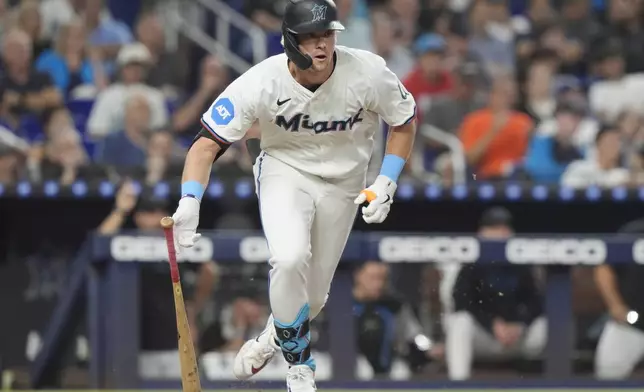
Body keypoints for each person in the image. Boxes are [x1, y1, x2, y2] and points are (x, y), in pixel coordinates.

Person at [169, 0, 417, 390]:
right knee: (288, 259)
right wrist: (189, 200)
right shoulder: (260, 82)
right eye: (312, 36)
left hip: (345, 182)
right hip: (285, 169)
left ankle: (271, 338)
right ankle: (300, 366)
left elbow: (403, 120)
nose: (322, 44)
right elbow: (205, 145)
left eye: (327, 35)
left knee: (313, 296)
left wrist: (387, 180)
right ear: (290, 40)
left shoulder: (367, 71)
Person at [442, 207, 546, 380]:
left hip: (517, 338)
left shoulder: (521, 262)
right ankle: (458, 383)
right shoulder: (471, 263)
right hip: (485, 337)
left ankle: (550, 381)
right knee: (460, 321)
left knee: (547, 324)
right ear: (482, 232)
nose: (502, 232)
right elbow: (462, 301)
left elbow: (536, 302)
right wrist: (491, 324)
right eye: (495, 228)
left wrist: (519, 324)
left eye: (505, 227)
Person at [594, 218, 644, 379]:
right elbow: (604, 268)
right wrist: (616, 305)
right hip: (632, 322)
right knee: (609, 374)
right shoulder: (635, 231)